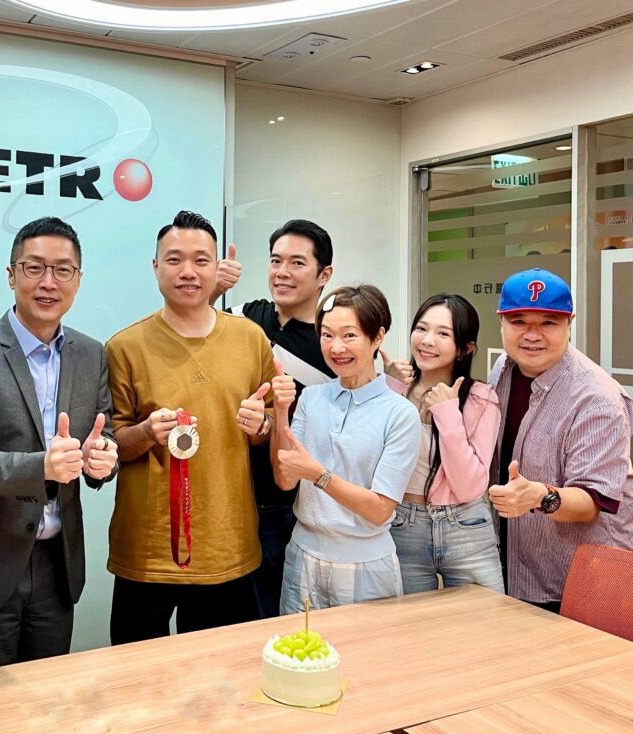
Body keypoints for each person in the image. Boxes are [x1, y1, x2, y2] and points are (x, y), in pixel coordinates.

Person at [0, 216, 117, 668]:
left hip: (59, 565)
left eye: (63, 270)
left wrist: (103, 460)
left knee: (49, 694)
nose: (48, 282)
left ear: (78, 279)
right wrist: (44, 466)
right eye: (34, 267)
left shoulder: (91, 353)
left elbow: (105, 433)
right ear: (11, 274)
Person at [106, 210, 277, 644]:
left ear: (217, 268)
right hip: (147, 548)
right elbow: (112, 446)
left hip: (227, 542)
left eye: (201, 260)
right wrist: (146, 432)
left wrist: (262, 425)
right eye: (174, 259)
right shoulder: (124, 347)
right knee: (137, 671)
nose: (188, 271)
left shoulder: (250, 338)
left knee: (221, 673)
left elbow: (271, 428)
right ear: (155, 266)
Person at [209, 219, 336, 618]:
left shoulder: (332, 345)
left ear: (324, 275)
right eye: (275, 261)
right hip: (227, 496)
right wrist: (213, 290)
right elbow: (190, 332)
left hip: (287, 508)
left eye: (297, 263)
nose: (282, 272)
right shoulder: (244, 317)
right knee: (219, 618)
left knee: (273, 617)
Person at [487, 268, 633, 612]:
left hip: (579, 579)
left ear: (569, 323)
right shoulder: (503, 368)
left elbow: (592, 500)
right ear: (502, 323)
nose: (532, 335)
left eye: (548, 323)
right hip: (515, 562)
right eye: (519, 321)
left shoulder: (596, 398)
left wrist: (540, 496)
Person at [274, 285, 419, 612]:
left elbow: (380, 509)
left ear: (378, 336)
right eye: (327, 335)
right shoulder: (312, 398)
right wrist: (281, 409)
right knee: (298, 644)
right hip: (303, 556)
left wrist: (318, 474)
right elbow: (285, 479)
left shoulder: (399, 413)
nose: (336, 347)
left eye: (349, 335)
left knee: (366, 647)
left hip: (365, 565)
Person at [380, 294, 504, 594]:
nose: (427, 341)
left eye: (443, 334)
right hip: (402, 524)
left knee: (488, 618)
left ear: (465, 348)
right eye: (421, 328)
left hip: (466, 525)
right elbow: (373, 461)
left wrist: (448, 413)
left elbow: (469, 486)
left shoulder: (481, 398)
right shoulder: (391, 390)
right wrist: (391, 388)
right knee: (410, 621)